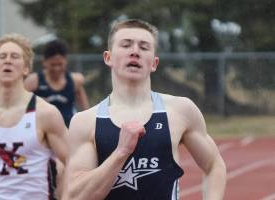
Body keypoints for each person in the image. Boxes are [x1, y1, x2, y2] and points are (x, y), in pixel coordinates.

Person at [63, 19, 227, 200]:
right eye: (126, 45)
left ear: (154, 63)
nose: (135, 52)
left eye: (144, 47)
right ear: (108, 58)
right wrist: (121, 153)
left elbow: (214, 165)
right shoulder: (85, 122)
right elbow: (76, 197)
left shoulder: (180, 110)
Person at [0, 33, 69, 200]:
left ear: (26, 68)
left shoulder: (45, 113)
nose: (8, 60)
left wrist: (64, 194)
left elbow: (73, 162)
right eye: (2, 56)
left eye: (15, 56)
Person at [24, 39, 89, 127]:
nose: (56, 68)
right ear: (44, 62)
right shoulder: (33, 81)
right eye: (53, 65)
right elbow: (20, 105)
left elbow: (86, 110)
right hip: (42, 130)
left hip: (68, 130)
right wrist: (34, 102)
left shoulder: (75, 81)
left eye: (60, 64)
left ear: (66, 61)